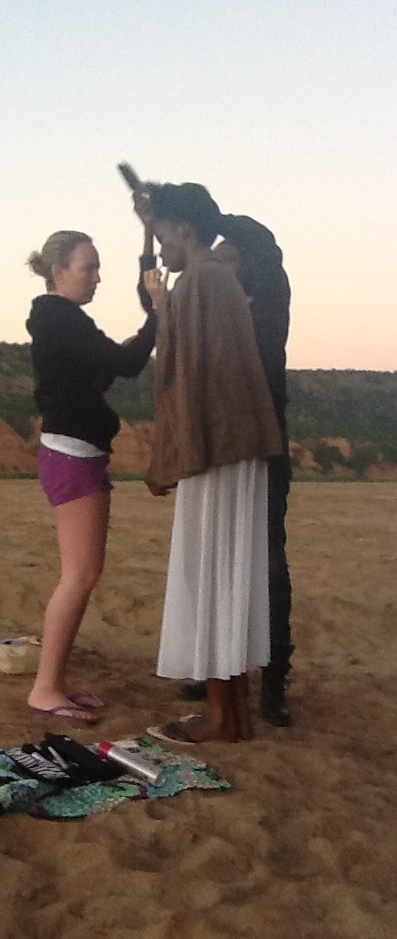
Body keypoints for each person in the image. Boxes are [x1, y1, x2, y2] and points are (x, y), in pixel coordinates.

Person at [139, 183, 283, 742]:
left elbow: (181, 371)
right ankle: (235, 716)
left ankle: (222, 719)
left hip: (216, 449)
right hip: (236, 446)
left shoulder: (199, 279)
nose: (161, 249)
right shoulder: (221, 277)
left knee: (212, 578)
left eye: (162, 237)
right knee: (229, 578)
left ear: (186, 231)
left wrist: (171, 455)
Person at [25, 230, 157, 723]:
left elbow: (111, 365)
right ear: (58, 270)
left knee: (84, 575)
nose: (97, 278)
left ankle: (54, 681)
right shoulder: (60, 317)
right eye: (89, 268)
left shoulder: (61, 320)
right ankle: (45, 688)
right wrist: (158, 313)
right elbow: (127, 363)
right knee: (79, 576)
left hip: (79, 454)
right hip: (72, 456)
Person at [179, 215, 294, 726]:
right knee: (218, 560)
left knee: (268, 564)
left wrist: (200, 213)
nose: (217, 266)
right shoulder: (215, 304)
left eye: (226, 258)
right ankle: (216, 669)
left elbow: (261, 240)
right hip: (221, 447)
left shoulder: (269, 297)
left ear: (247, 261)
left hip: (264, 451)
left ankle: (273, 683)